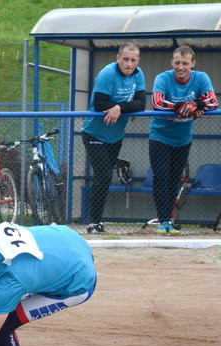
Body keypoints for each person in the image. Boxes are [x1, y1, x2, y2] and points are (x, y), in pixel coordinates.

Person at [149, 46, 217, 236]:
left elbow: (213, 102)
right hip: (159, 137)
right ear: (172, 62)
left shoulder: (201, 78)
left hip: (183, 140)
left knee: (173, 181)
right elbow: (157, 103)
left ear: (192, 64)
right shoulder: (163, 78)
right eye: (177, 63)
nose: (181, 67)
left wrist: (196, 104)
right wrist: (182, 107)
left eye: (185, 63)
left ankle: (169, 221)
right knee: (160, 178)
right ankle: (163, 221)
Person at [82, 43, 145, 235]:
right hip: (95, 133)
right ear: (118, 58)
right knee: (103, 176)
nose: (129, 64)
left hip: (116, 135)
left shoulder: (138, 74)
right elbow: (100, 103)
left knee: (105, 178)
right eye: (125, 59)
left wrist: (119, 108)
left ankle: (97, 221)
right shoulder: (108, 74)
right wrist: (125, 106)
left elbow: (141, 104)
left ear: (138, 61)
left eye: (133, 60)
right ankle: (94, 222)